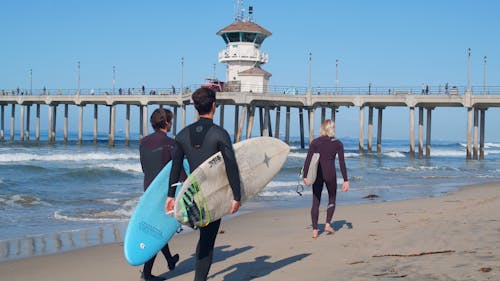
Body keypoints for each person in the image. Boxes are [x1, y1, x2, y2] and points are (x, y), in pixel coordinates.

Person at [166, 87, 241, 281]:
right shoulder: (219, 133)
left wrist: (171, 196)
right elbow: (231, 165)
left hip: (192, 196)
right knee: (207, 241)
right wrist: (236, 196)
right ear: (214, 106)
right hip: (213, 196)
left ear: (195, 107)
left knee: (204, 239)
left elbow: (175, 167)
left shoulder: (182, 135)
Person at [139, 108, 181, 281]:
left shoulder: (143, 142)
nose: (171, 124)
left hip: (148, 189)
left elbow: (144, 167)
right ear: (165, 123)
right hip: (164, 192)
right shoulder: (171, 143)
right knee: (158, 230)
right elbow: (177, 170)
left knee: (159, 227)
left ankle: (170, 260)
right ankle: (147, 273)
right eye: (170, 121)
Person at [303, 119, 349, 238]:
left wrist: (305, 176)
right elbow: (342, 162)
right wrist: (345, 180)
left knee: (316, 201)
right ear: (332, 129)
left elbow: (308, 160)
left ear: (322, 128)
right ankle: (328, 224)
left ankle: (315, 230)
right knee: (332, 198)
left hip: (318, 174)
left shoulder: (315, 142)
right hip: (330, 174)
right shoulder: (338, 143)